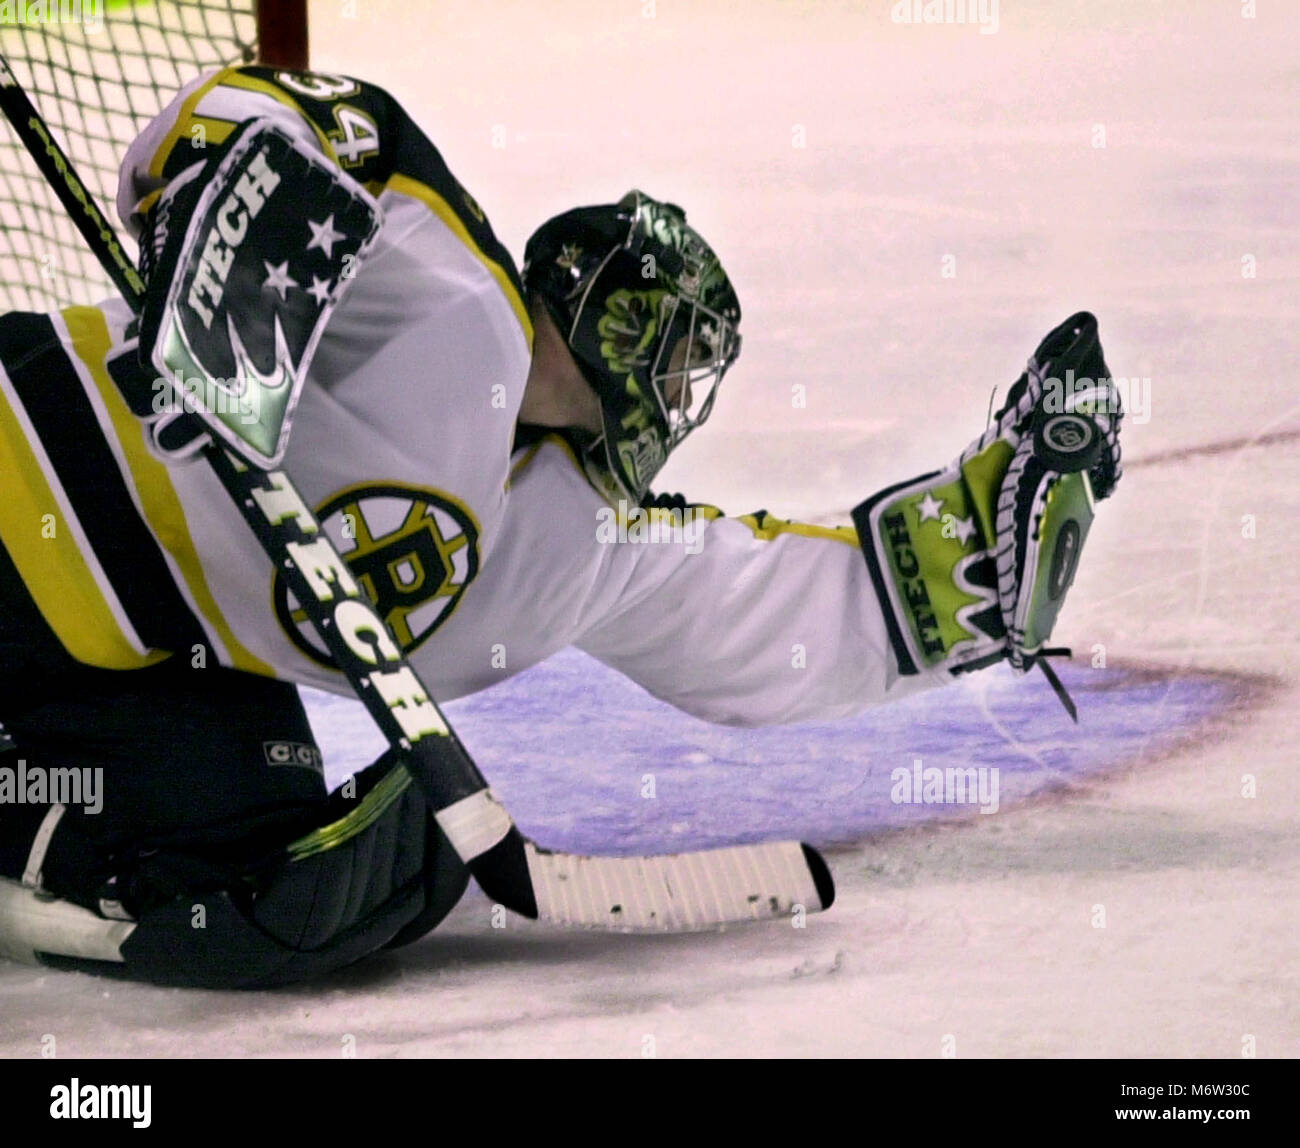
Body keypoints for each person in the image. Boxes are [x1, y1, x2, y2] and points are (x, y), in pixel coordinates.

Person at [0, 65, 1122, 987]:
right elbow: (307, 119)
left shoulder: (578, 538)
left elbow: (756, 608)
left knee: (313, 887)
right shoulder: (454, 300)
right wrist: (225, 239)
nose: (679, 400)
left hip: (105, 666)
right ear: (618, 323)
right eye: (676, 360)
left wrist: (977, 559)